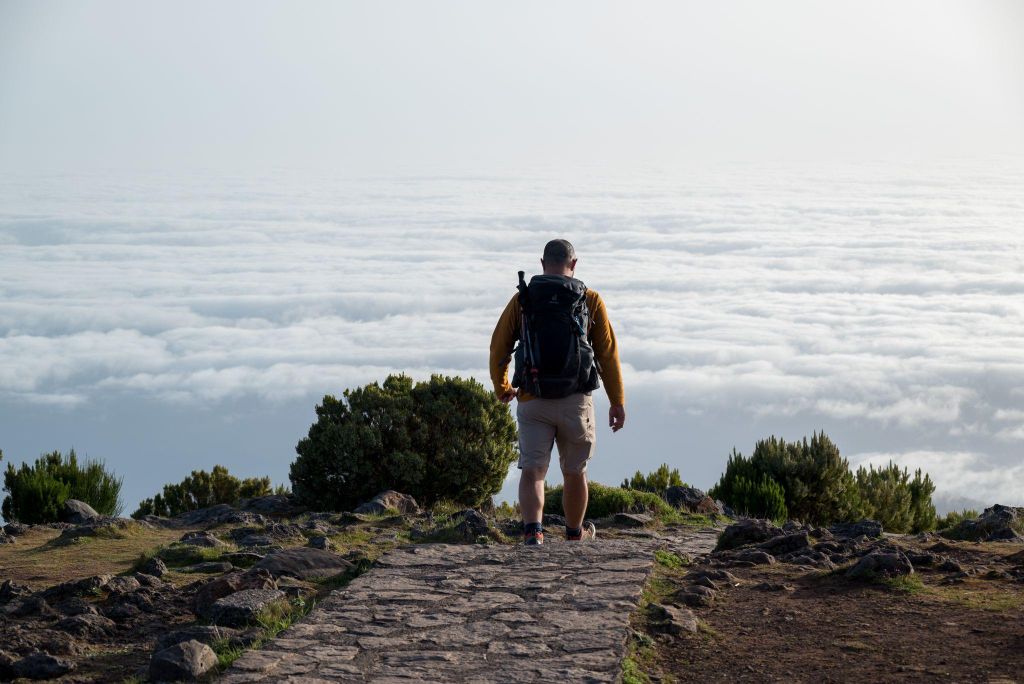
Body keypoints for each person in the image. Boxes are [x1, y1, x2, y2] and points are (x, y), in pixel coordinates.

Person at [489, 239, 625, 545]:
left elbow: (499, 346)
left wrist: (503, 386)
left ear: (542, 263)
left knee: (533, 470)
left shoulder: (524, 299)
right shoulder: (589, 299)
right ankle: (575, 535)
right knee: (575, 471)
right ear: (574, 264)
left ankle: (533, 533)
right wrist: (617, 401)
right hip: (576, 400)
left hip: (532, 398)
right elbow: (607, 354)